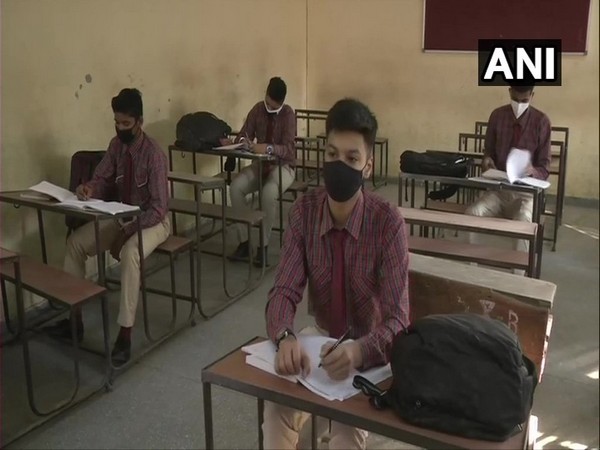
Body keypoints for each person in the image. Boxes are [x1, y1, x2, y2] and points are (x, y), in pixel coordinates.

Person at [262, 98, 410, 450]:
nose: (338, 165)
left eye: (352, 158)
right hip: (320, 343)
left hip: (368, 356)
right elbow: (283, 290)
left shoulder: (387, 223)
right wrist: (285, 336)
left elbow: (399, 322)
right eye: (332, 154)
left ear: (368, 166)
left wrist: (359, 352)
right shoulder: (304, 213)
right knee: (275, 409)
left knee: (343, 439)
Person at [45, 88, 170, 367]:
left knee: (130, 254)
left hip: (153, 221)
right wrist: (90, 187)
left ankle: (125, 334)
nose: (120, 128)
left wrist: (129, 231)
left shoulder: (154, 155)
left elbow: (159, 209)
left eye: (126, 123)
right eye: (116, 122)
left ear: (139, 121)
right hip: (120, 214)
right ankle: (74, 320)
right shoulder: (116, 145)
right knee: (75, 244)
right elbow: (103, 176)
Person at [466, 83, 551, 259]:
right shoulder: (497, 116)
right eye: (515, 99)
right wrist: (487, 160)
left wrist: (532, 170)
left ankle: (519, 272)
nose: (519, 104)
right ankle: (471, 264)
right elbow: (488, 152)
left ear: (532, 95)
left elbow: (545, 168)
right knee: (473, 213)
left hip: (525, 194)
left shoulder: (541, 121)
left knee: (524, 220)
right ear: (509, 92)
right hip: (500, 190)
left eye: (524, 100)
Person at [225, 77, 296, 267]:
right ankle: (244, 241)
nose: (269, 109)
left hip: (283, 167)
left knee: (269, 192)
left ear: (281, 103)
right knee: (236, 187)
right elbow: (244, 133)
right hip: (259, 165)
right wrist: (239, 143)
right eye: (267, 104)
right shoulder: (258, 109)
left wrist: (267, 148)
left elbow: (289, 149)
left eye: (273, 107)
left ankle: (263, 247)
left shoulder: (288, 114)